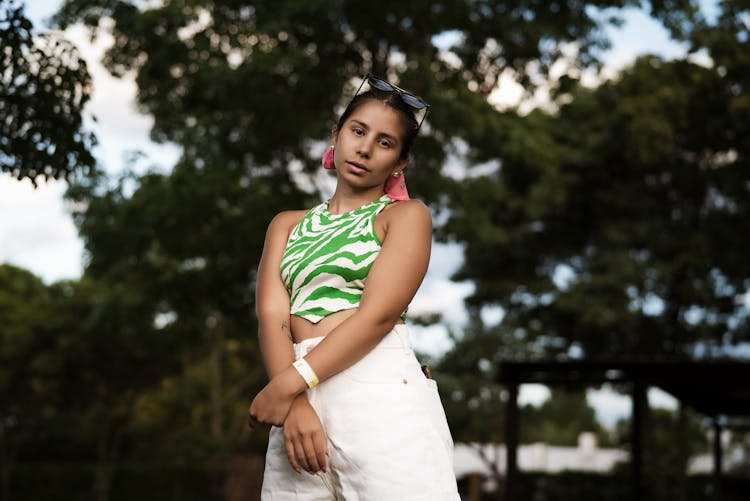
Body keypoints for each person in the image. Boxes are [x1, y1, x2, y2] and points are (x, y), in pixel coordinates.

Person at [248, 73, 460, 500]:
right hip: (296, 392)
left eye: (385, 142)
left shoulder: (404, 217)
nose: (364, 148)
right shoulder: (286, 225)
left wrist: (288, 386)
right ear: (336, 135)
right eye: (358, 131)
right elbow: (272, 318)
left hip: (374, 387)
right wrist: (295, 402)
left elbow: (378, 316)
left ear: (400, 161)